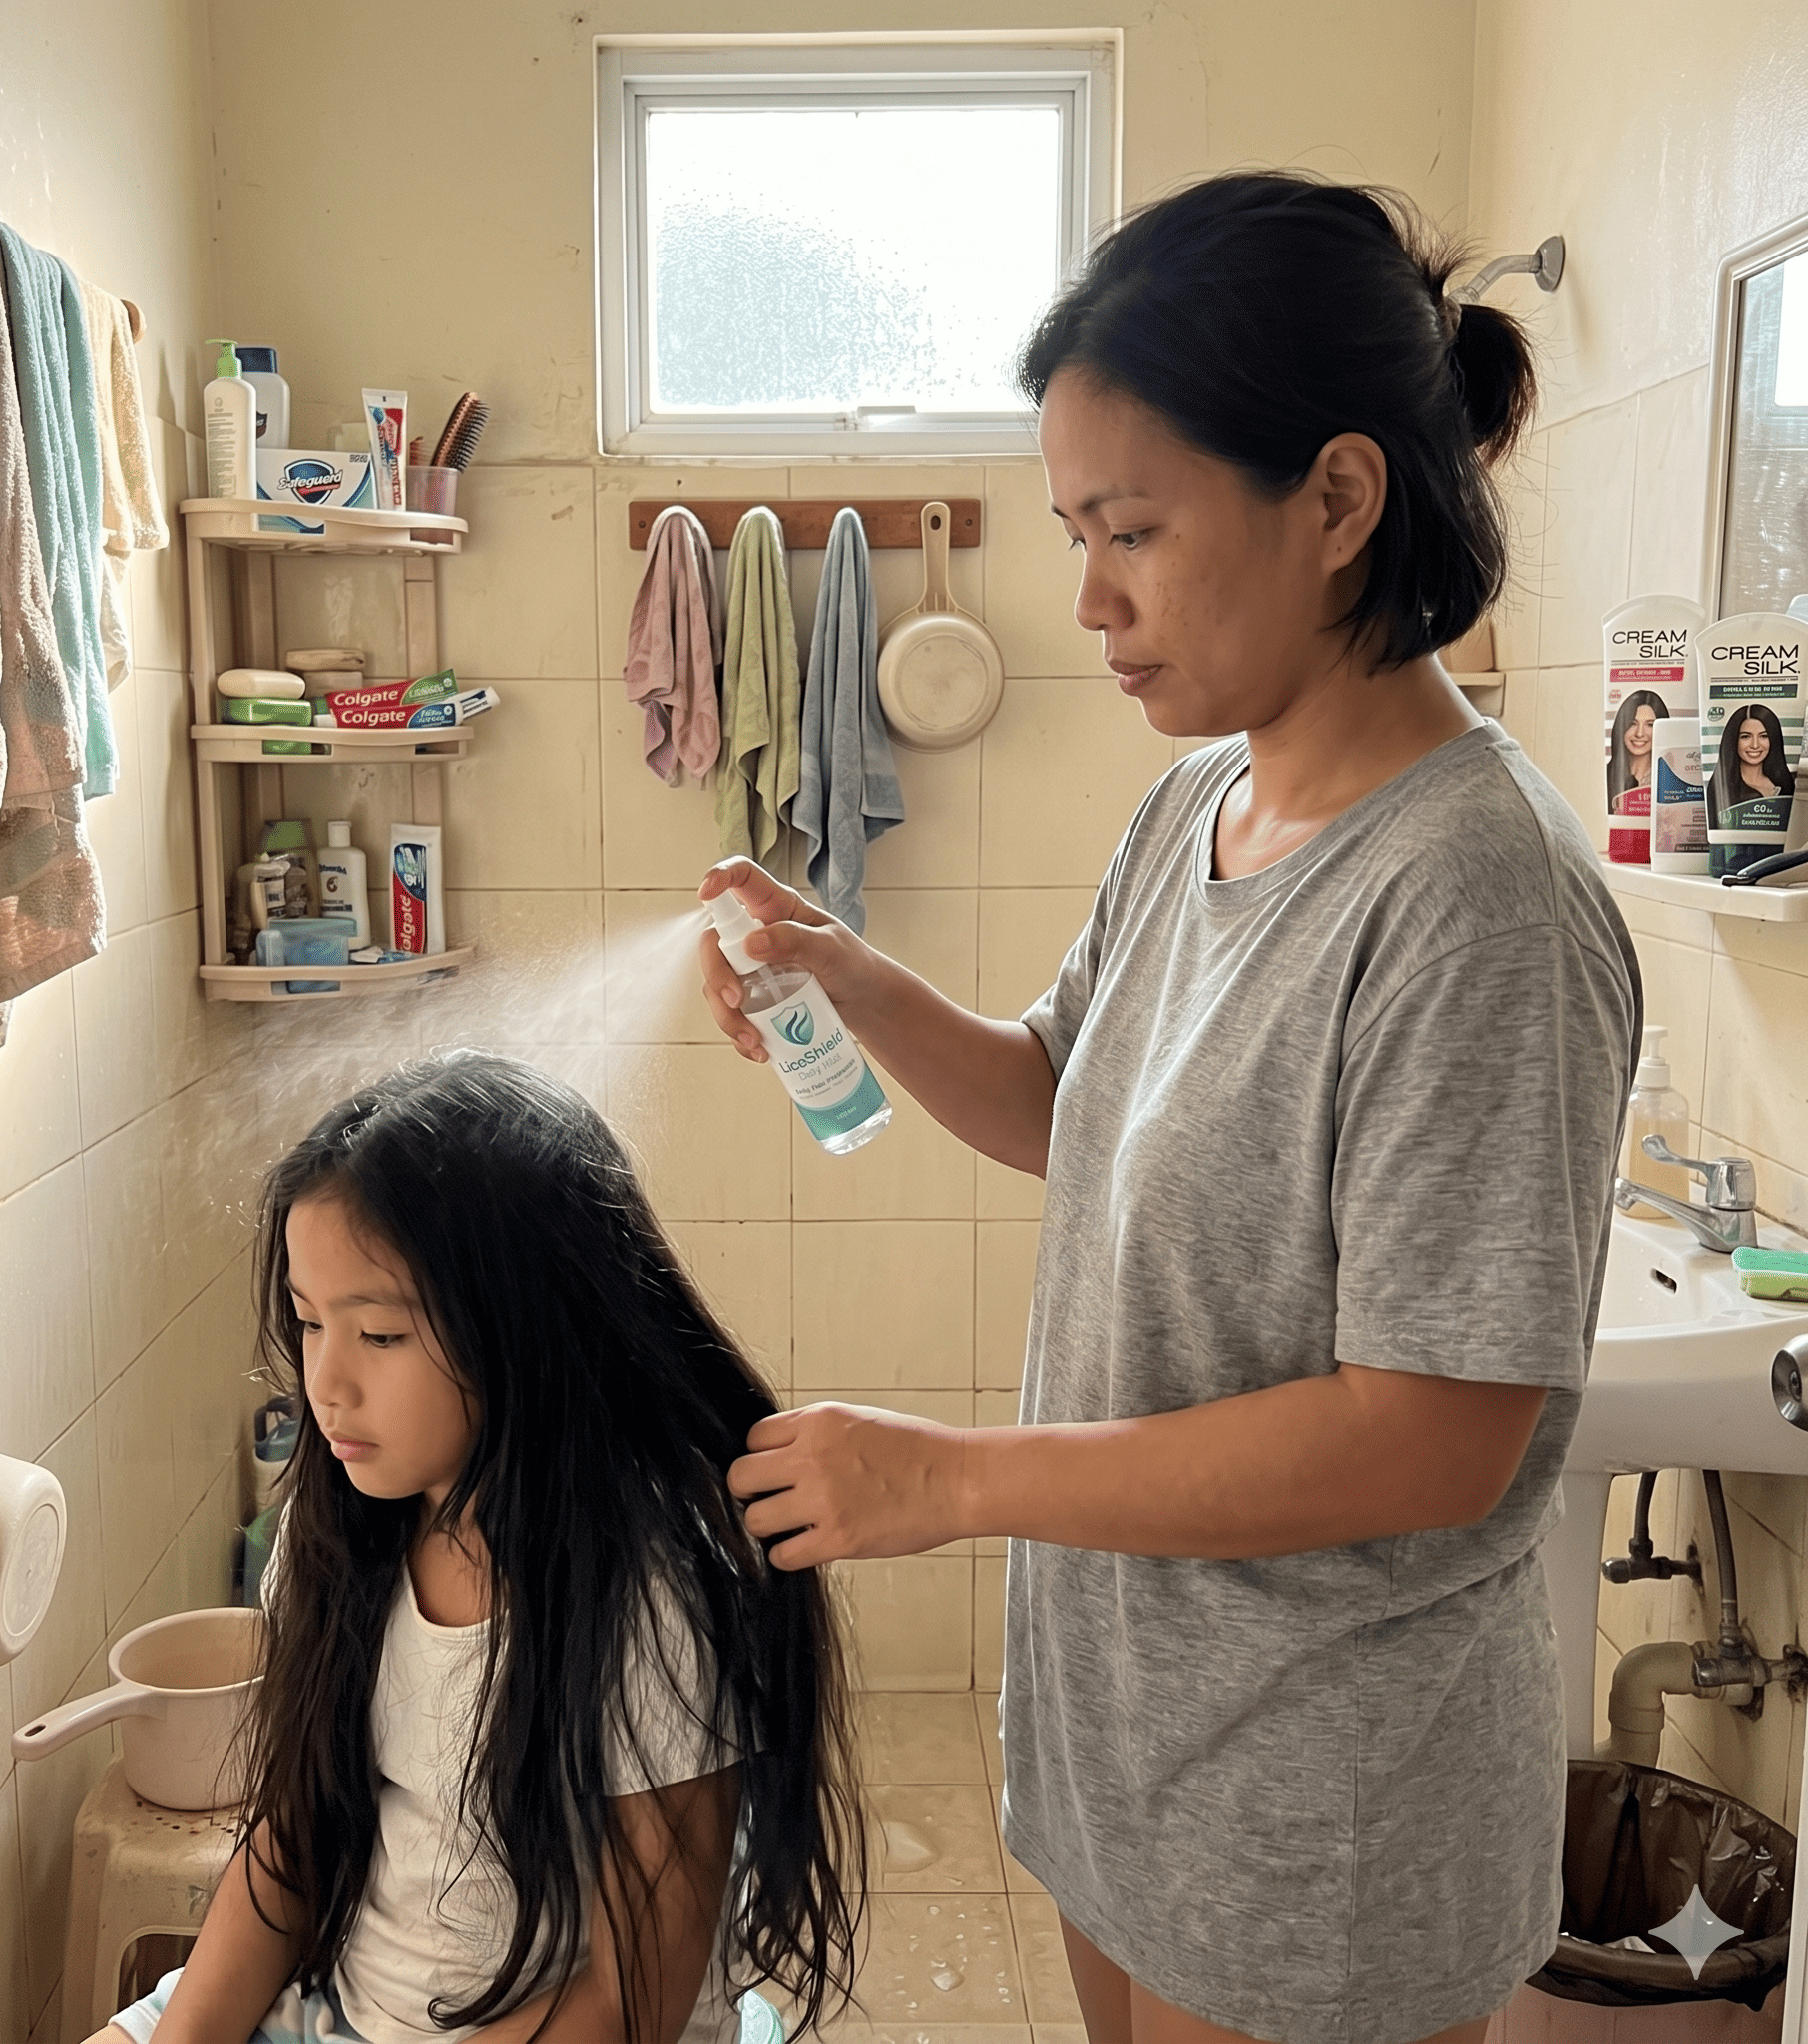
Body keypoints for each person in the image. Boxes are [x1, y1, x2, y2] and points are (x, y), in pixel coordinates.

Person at [699, 172, 1640, 2044]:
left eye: (1129, 528)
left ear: (1337, 500)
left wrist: (955, 1480)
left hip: (1316, 1814)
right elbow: (1068, 1091)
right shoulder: (1197, 802)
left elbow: (1430, 1435)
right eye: (1074, 529)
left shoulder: (1470, 890)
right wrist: (853, 978)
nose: (1086, 599)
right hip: (1134, 1740)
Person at [90, 1052, 861, 2044]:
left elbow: (637, 2000)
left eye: (377, 1335)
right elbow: (288, 1845)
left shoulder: (647, 1593)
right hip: (345, 2008)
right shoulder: (333, 1537)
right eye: (308, 1318)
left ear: (523, 1332)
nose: (325, 1381)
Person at [1709, 701, 1796, 823]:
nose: (1755, 745)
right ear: (1734, 740)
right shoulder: (1720, 791)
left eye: (1764, 736)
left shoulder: (1788, 786)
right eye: (1746, 736)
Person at [1606, 687, 1666, 813]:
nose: (1640, 733)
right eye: (1633, 723)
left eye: (1650, 724)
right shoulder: (1604, 776)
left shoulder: (1670, 780)